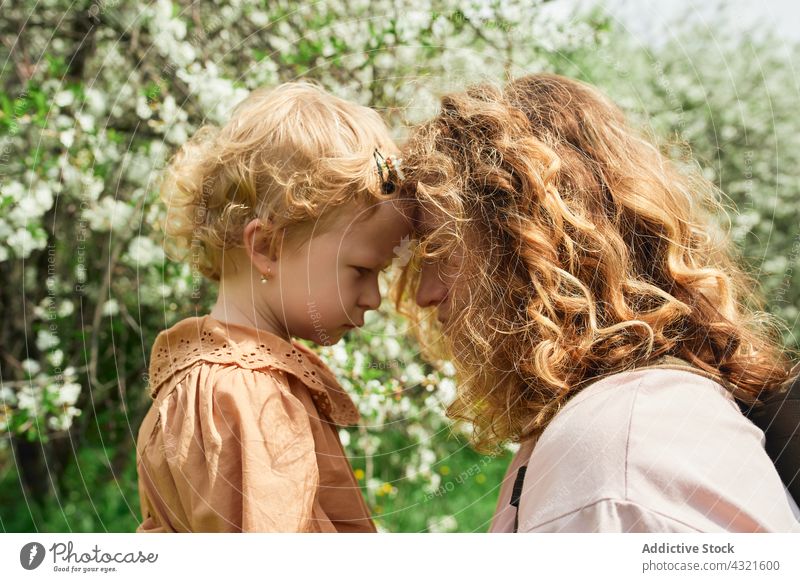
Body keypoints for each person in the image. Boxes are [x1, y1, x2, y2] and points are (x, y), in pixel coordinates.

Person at [395, 73, 800, 532]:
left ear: (525, 247)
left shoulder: (612, 455)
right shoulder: (631, 422)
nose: (424, 293)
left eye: (439, 252)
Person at [136, 81, 410, 532]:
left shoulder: (221, 380)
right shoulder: (247, 395)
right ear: (266, 246)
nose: (374, 298)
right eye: (362, 270)